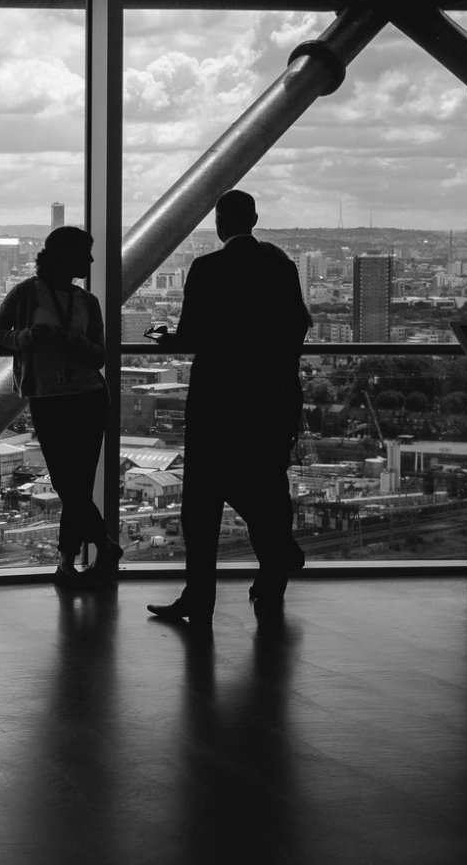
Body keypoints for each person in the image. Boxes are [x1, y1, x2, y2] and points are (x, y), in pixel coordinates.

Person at [148, 189, 312, 625]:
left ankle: (200, 598)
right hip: (270, 398)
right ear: (254, 219)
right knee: (266, 482)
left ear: (220, 224)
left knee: (202, 501)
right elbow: (297, 327)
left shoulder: (208, 268)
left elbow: (193, 336)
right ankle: (274, 567)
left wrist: (166, 338)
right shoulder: (281, 267)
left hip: (218, 399)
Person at [0, 226, 119, 585]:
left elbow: (98, 355)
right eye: (84, 254)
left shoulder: (86, 302)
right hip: (54, 397)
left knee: (74, 483)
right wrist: (27, 337)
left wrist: (66, 340)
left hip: (84, 396)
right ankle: (102, 545)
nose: (91, 260)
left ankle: (66, 562)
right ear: (65, 256)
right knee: (69, 483)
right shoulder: (27, 294)